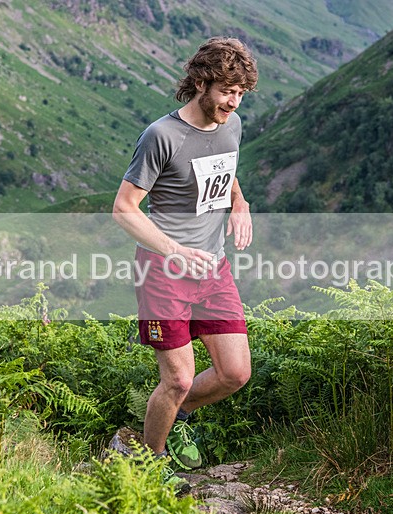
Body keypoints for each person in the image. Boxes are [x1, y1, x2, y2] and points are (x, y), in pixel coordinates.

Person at [112, 37, 258, 475]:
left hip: (213, 268)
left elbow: (226, 170)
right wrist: (175, 250)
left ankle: (171, 418)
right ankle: (147, 465)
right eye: (227, 91)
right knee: (176, 379)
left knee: (234, 373)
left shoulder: (231, 126)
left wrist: (239, 203)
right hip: (162, 270)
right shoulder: (161, 136)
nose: (233, 102)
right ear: (200, 82)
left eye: (240, 94)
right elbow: (123, 209)